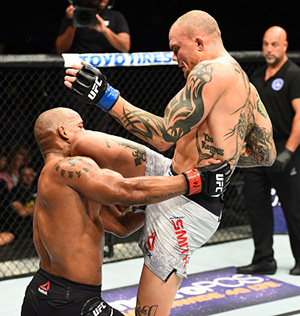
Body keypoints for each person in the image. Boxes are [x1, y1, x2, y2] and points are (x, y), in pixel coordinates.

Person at [64, 10, 277, 315]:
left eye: (177, 48)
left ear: (199, 42)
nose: (174, 57)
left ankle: (106, 220)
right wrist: (221, 159)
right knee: (81, 140)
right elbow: (264, 153)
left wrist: (106, 96)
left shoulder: (209, 73)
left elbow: (164, 136)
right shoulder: (245, 84)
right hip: (176, 177)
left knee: (147, 313)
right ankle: (111, 213)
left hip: (189, 206)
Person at [21, 107, 230, 316]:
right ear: (64, 132)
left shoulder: (53, 182)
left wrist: (161, 204)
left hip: (40, 291)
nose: (87, 134)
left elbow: (121, 225)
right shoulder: (70, 167)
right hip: (73, 301)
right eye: (81, 127)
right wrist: (194, 181)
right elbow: (126, 190)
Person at [236, 26, 300, 276]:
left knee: (294, 208)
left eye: (274, 44)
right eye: (265, 44)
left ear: (285, 46)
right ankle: (264, 259)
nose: (269, 49)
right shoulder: (258, 76)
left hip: (286, 148)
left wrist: (289, 151)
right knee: (256, 205)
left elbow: (299, 116)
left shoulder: (294, 74)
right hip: (257, 150)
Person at [55, 0, 130, 54]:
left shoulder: (116, 16)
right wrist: (73, 23)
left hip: (106, 71)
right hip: (79, 67)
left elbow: (125, 47)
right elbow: (60, 50)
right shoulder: (75, 15)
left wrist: (106, 31)